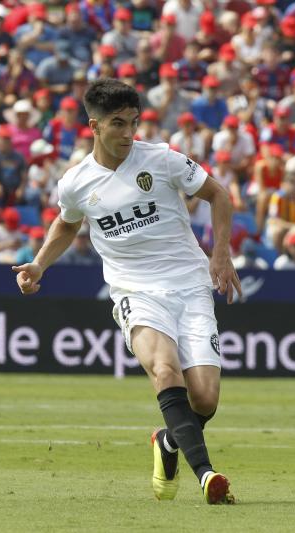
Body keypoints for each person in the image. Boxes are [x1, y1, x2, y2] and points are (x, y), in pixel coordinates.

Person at [12, 79, 240, 505]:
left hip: (190, 284)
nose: (127, 133)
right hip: (135, 290)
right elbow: (67, 222)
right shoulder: (76, 181)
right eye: (117, 124)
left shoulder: (163, 159)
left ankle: (168, 443)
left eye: (133, 122)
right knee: (165, 370)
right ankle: (207, 475)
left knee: (205, 398)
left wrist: (221, 254)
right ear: (94, 125)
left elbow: (218, 195)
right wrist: (39, 263)